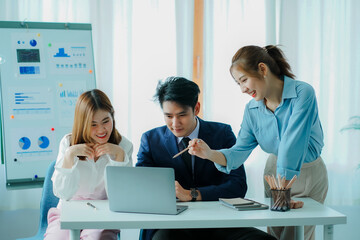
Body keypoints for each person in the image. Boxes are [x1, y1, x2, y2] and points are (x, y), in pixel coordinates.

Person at [188, 45, 328, 240]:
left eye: (244, 80)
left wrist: (283, 191)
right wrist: (209, 153)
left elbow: (292, 142)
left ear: (263, 69)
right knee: (275, 235)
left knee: (297, 235)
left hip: (307, 175)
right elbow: (238, 152)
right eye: (238, 83)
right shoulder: (252, 110)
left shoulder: (302, 93)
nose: (242, 89)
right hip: (273, 175)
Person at [136, 77, 276, 240]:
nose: (175, 123)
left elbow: (238, 186)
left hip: (218, 222)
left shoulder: (222, 133)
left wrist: (193, 194)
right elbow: (142, 187)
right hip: (172, 225)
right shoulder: (151, 140)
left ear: (196, 108)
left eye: (182, 115)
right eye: (168, 116)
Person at [44, 89, 133, 240]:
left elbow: (121, 198)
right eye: (93, 124)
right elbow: (63, 193)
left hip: (104, 213)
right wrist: (69, 155)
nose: (101, 130)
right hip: (69, 211)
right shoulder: (68, 143)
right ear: (83, 123)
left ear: (113, 116)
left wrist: (118, 156)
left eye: (106, 121)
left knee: (96, 237)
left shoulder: (123, 146)